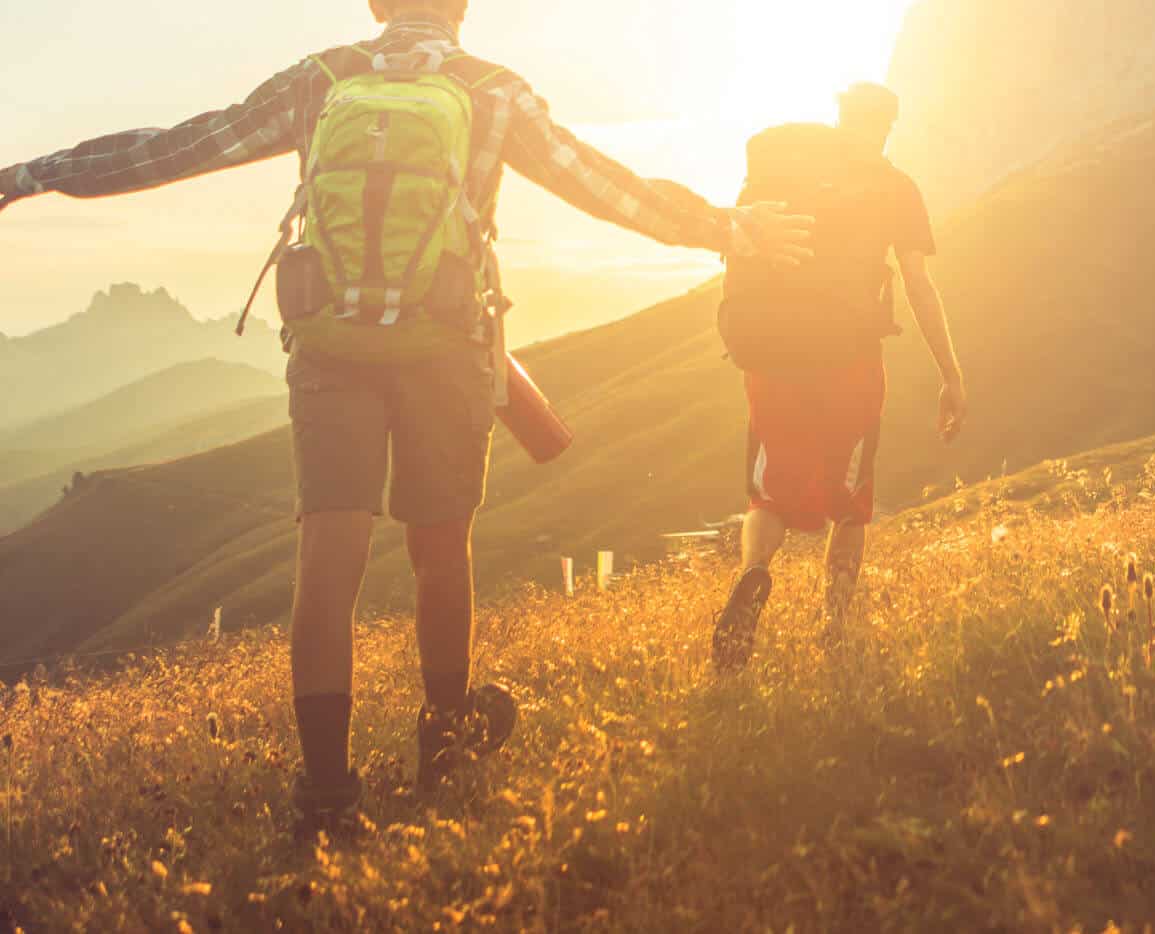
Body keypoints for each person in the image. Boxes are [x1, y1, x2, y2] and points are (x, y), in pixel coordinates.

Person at [0, 0, 811, 844]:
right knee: (439, 550)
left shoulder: (318, 80)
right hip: (445, 348)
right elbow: (604, 187)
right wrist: (723, 229)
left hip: (331, 350)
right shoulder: (494, 91)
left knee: (328, 561)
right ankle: (447, 747)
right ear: (462, 9)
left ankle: (325, 799)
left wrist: (26, 175)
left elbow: (174, 148)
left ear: (376, 4)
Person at [711, 83, 966, 674]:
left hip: (771, 359)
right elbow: (918, 286)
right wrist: (950, 373)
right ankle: (836, 625)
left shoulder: (784, 175)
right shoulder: (896, 188)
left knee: (768, 493)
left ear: (840, 117)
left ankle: (753, 576)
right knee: (851, 501)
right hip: (850, 363)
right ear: (889, 125)